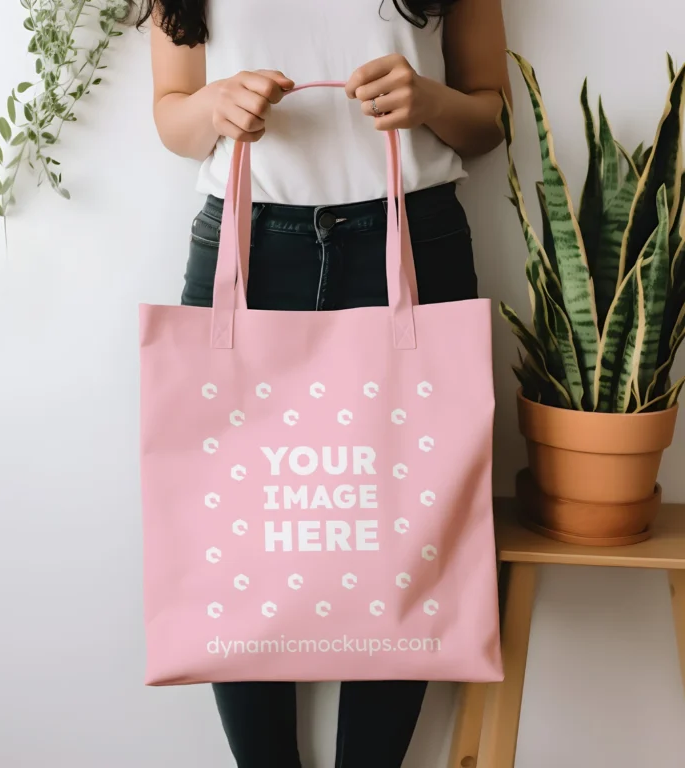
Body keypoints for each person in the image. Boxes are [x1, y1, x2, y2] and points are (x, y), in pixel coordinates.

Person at [138, 1, 510, 766]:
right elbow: (172, 117)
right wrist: (215, 105)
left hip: (414, 233)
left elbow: (489, 113)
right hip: (248, 239)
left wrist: (430, 101)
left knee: (411, 527)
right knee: (237, 530)